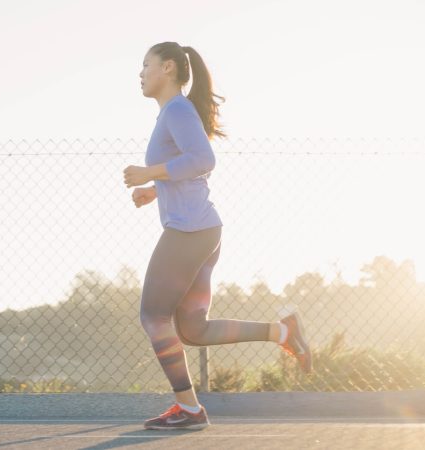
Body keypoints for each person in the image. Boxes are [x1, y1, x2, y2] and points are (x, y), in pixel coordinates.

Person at [123, 42, 312, 431]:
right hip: (203, 230)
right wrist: (155, 189)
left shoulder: (176, 109)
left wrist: (150, 173)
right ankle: (283, 332)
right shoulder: (173, 113)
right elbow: (191, 167)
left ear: (169, 68)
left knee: (153, 315)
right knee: (192, 329)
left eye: (146, 65)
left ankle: (189, 409)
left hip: (190, 232)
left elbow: (204, 160)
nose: (140, 73)